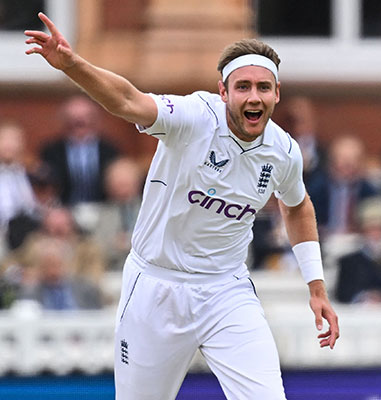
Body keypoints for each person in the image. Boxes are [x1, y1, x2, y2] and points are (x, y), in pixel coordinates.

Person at [26, 13, 339, 400]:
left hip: (226, 289)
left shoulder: (284, 151)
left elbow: (297, 206)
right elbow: (127, 99)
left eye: (263, 87)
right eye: (243, 87)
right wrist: (72, 65)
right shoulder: (193, 117)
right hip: (156, 285)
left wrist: (316, 287)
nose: (253, 97)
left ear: (277, 93)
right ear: (223, 92)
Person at [40, 94, 120, 205]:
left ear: (94, 120)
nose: (79, 121)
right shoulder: (51, 151)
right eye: (74, 118)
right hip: (64, 209)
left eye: (84, 117)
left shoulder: (110, 150)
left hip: (103, 208)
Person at [334, 198, 381, 304]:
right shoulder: (348, 262)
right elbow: (342, 294)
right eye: (371, 229)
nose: (376, 234)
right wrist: (363, 297)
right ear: (362, 231)